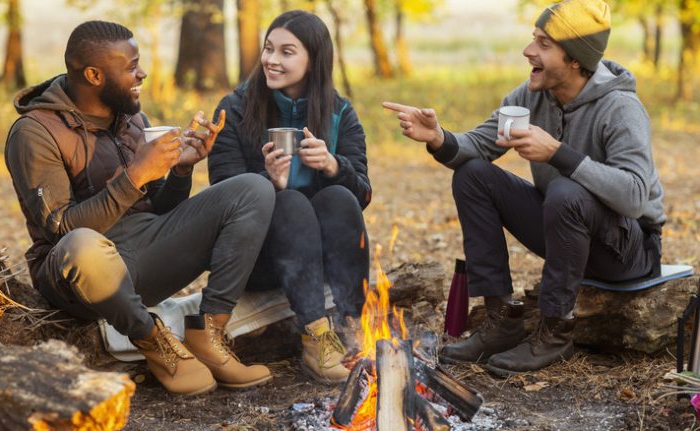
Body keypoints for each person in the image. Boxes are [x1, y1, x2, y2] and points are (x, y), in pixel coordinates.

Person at [384, 0, 665, 376]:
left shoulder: (620, 108)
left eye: (544, 43)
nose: (528, 50)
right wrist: (438, 137)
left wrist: (558, 153)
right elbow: (479, 145)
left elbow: (634, 197)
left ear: (576, 60)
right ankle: (502, 320)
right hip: (566, 229)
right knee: (473, 175)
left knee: (566, 191)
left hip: (628, 250)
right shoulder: (531, 97)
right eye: (534, 38)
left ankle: (554, 332)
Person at [5, 20, 276, 395]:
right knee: (82, 245)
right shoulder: (35, 132)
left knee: (253, 188)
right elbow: (60, 229)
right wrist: (133, 177)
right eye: (131, 66)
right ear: (94, 74)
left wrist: (180, 170)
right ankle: (153, 340)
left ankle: (207, 333)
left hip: (145, 253)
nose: (142, 73)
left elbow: (162, 208)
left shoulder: (132, 117)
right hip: (84, 275)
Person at [208, 10, 371, 383]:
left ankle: (350, 323)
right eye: (269, 49)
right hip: (259, 258)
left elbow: (361, 194)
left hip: (323, 259)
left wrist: (333, 166)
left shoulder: (339, 112)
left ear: (313, 60)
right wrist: (266, 184)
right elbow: (221, 196)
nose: (271, 60)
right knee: (290, 201)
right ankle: (316, 337)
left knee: (339, 197)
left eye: (286, 52)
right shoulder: (234, 109)